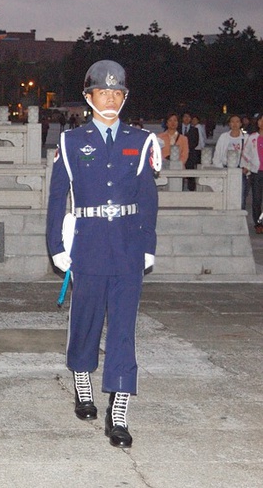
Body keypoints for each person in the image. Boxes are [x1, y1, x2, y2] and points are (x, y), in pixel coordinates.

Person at [46, 60, 160, 448]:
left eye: (116, 93)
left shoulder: (140, 140)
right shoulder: (72, 141)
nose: (109, 99)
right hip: (89, 243)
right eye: (102, 92)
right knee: (86, 319)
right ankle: (82, 378)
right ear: (88, 97)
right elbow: (57, 195)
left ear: (124, 97)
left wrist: (148, 245)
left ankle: (120, 407)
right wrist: (56, 246)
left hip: (128, 245)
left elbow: (148, 198)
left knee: (124, 330)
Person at [212, 114, 249, 207]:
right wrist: (220, 167)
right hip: (225, 169)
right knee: (226, 195)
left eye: (237, 121)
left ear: (241, 123)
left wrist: (247, 167)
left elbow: (250, 154)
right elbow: (218, 153)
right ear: (229, 124)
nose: (235, 124)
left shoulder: (246, 137)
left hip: (240, 170)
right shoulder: (224, 137)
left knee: (241, 195)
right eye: (232, 121)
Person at [241, 115, 263, 233]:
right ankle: (258, 224)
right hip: (257, 172)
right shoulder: (253, 137)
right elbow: (246, 152)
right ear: (258, 123)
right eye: (261, 121)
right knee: (257, 199)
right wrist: (246, 166)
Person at [180, 112, 200, 190]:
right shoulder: (177, 129)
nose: (187, 118)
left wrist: (187, 149)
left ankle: (191, 190)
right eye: (185, 116)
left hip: (190, 155)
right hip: (179, 155)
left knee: (191, 174)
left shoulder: (194, 130)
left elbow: (196, 142)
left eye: (188, 117)